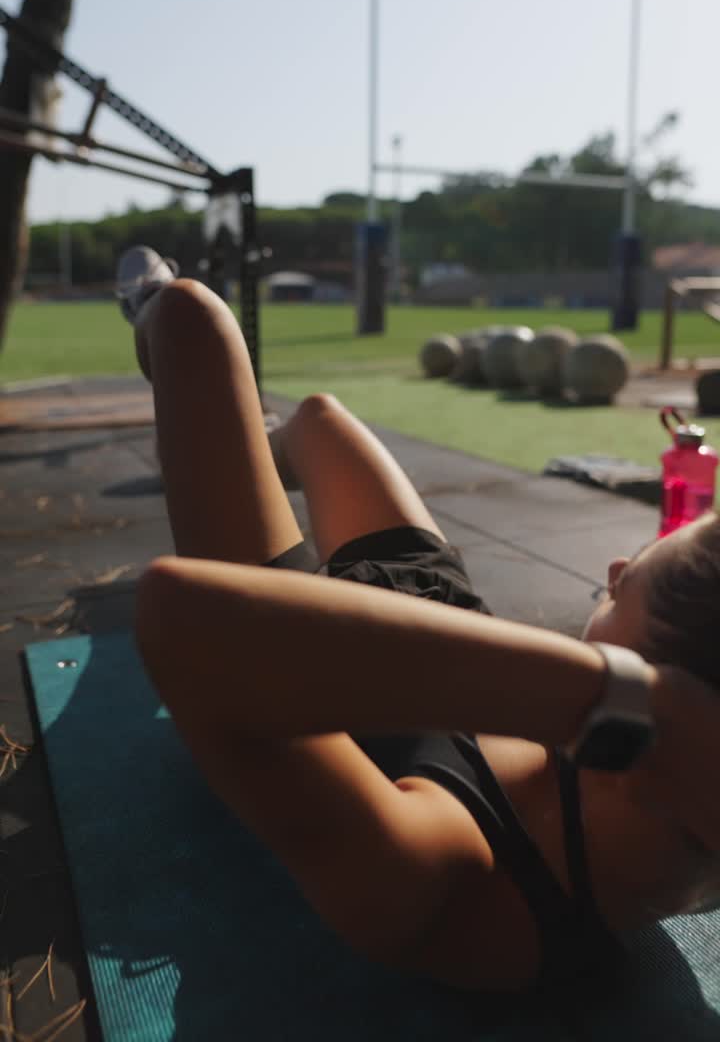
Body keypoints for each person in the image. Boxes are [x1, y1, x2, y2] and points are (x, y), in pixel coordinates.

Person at [118, 246, 720, 994]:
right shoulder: (661, 797)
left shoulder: (453, 872)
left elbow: (185, 620)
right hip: (438, 606)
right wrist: (619, 705)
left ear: (668, 699)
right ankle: (244, 451)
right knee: (320, 419)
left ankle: (165, 361)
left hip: (296, 638)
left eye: (627, 588)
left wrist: (616, 700)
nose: (615, 571)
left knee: (189, 315)